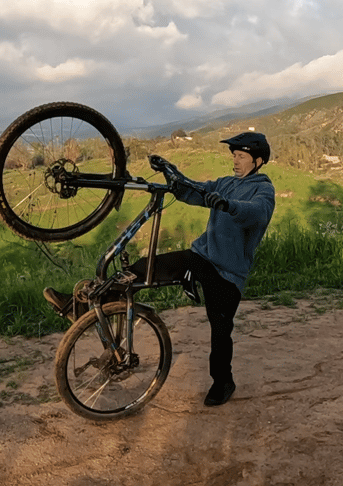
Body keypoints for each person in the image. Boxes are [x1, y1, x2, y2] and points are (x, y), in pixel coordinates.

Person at [44, 132, 275, 407]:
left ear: (258, 161)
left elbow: (258, 212)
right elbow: (193, 190)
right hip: (201, 256)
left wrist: (229, 205)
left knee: (220, 329)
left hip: (228, 272)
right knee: (142, 269)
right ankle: (80, 307)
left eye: (242, 157)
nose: (235, 161)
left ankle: (223, 382)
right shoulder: (226, 183)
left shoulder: (263, 189)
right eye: (234, 156)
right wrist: (171, 171)